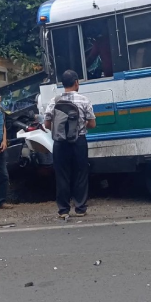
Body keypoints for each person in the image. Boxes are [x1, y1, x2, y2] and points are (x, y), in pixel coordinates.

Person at [43, 70, 96, 218]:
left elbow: (47, 124)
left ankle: (63, 210)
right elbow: (92, 124)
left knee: (62, 176)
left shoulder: (54, 101)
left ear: (63, 84)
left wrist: (60, 130)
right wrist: (81, 124)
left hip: (60, 143)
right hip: (78, 141)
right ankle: (80, 209)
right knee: (80, 174)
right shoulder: (84, 100)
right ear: (76, 82)